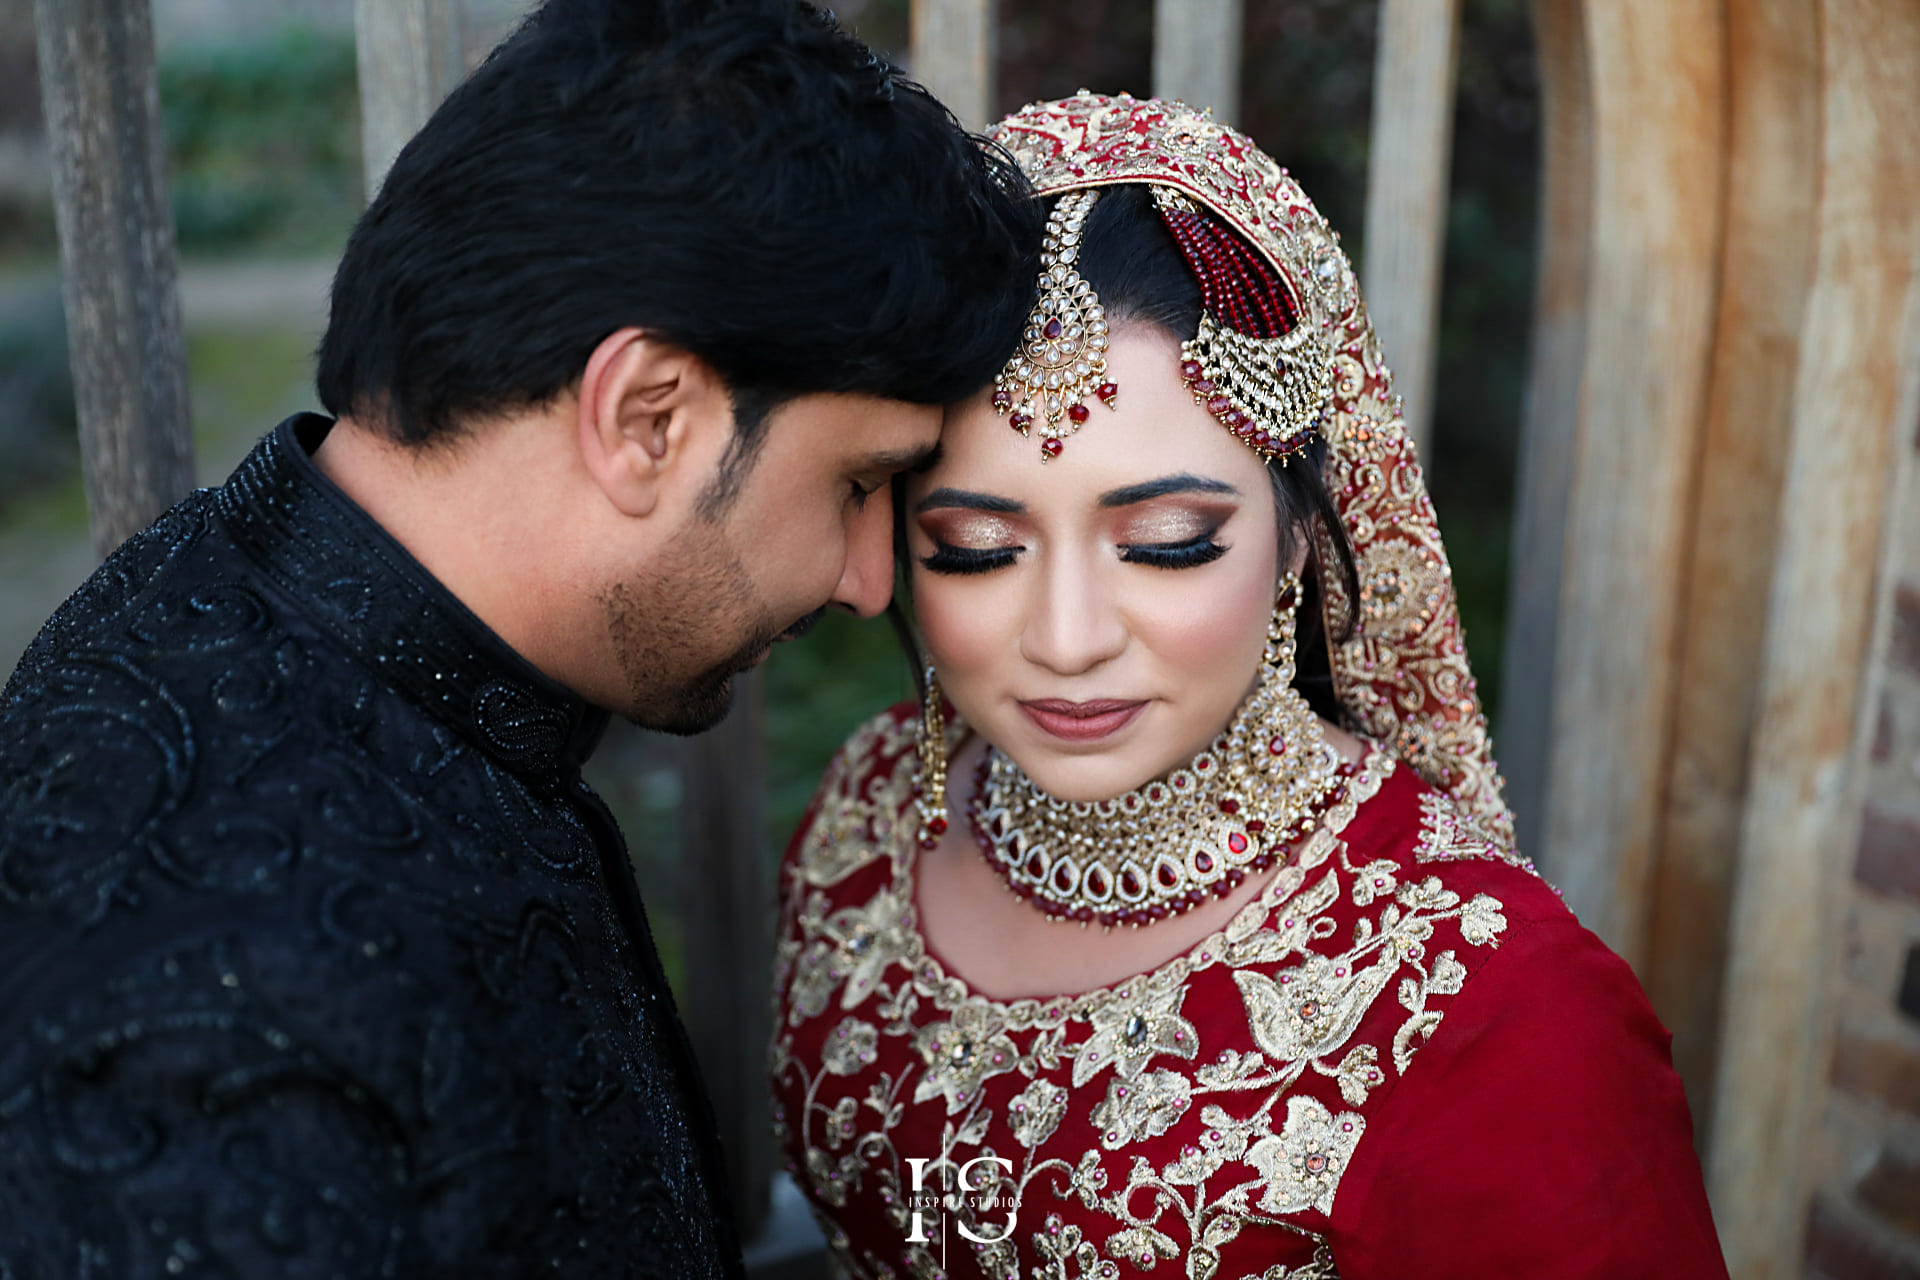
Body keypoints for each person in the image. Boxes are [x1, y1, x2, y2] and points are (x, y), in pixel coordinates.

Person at [0, 2, 1037, 1274]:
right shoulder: (226, 1038)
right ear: (648, 415)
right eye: (857, 483)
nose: (871, 579)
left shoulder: (232, 594)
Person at [769, 93, 1731, 1278]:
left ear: (1294, 538)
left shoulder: (1498, 1018)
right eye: (977, 546)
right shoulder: (869, 812)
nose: (1067, 640)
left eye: (1168, 539)